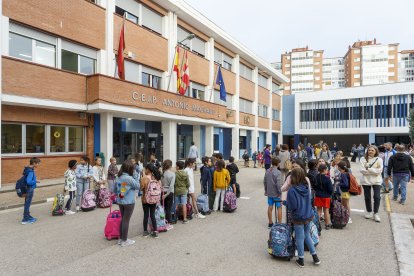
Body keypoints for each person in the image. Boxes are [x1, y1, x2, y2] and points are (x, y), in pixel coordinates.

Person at [286, 168, 321, 268]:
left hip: (298, 216)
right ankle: (315, 257)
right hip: (308, 214)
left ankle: (301, 259)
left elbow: (292, 206)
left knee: (300, 238)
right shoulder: (306, 187)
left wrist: (286, 203)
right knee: (307, 235)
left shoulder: (292, 190)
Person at [116, 160, 139, 246]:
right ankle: (124, 241)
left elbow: (116, 189)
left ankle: (121, 238)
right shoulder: (129, 178)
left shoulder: (119, 177)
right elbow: (138, 186)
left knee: (123, 219)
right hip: (129, 202)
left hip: (120, 201)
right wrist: (136, 176)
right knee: (126, 220)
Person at [360, 145, 383, 222]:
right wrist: (374, 171)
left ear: (376, 151)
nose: (370, 151)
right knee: (367, 197)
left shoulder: (379, 159)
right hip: (366, 181)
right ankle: (369, 212)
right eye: (369, 150)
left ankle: (376, 213)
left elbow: (379, 171)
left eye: (372, 150)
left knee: (377, 197)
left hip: (377, 181)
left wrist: (369, 169)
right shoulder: (363, 159)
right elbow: (362, 170)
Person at [140, 163, 162, 238]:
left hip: (145, 199)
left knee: (146, 214)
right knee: (152, 214)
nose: (144, 170)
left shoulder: (145, 178)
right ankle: (155, 231)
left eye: (145, 169)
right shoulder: (156, 177)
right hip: (154, 198)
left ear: (148, 170)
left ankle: (145, 231)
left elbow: (141, 188)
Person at [21, 157, 41, 224]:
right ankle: (25, 219)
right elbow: (29, 181)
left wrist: (35, 180)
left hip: (26, 188)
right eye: (38, 163)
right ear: (34, 163)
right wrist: (35, 181)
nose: (38, 165)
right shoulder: (31, 171)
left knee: (27, 203)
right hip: (29, 189)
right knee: (27, 204)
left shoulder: (27, 169)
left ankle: (27, 216)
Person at [264, 157, 282, 228]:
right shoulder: (278, 172)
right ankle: (279, 224)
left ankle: (270, 223)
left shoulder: (268, 170)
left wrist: (266, 191)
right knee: (279, 208)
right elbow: (278, 184)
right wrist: (279, 192)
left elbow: (265, 181)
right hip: (276, 193)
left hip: (269, 192)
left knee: (270, 207)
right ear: (277, 163)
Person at [314, 164, 333, 229]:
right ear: (324, 170)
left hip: (318, 196)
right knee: (326, 211)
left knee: (318, 211)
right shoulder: (327, 178)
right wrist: (330, 194)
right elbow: (330, 189)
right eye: (327, 169)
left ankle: (317, 224)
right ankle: (327, 224)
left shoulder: (316, 176)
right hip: (326, 196)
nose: (327, 170)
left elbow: (314, 186)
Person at [161, 160, 175, 226]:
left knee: (162, 208)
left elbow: (161, 184)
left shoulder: (162, 174)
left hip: (162, 192)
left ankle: (161, 221)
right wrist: (167, 194)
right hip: (169, 193)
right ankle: (168, 222)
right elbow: (171, 186)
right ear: (170, 166)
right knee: (168, 208)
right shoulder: (172, 174)